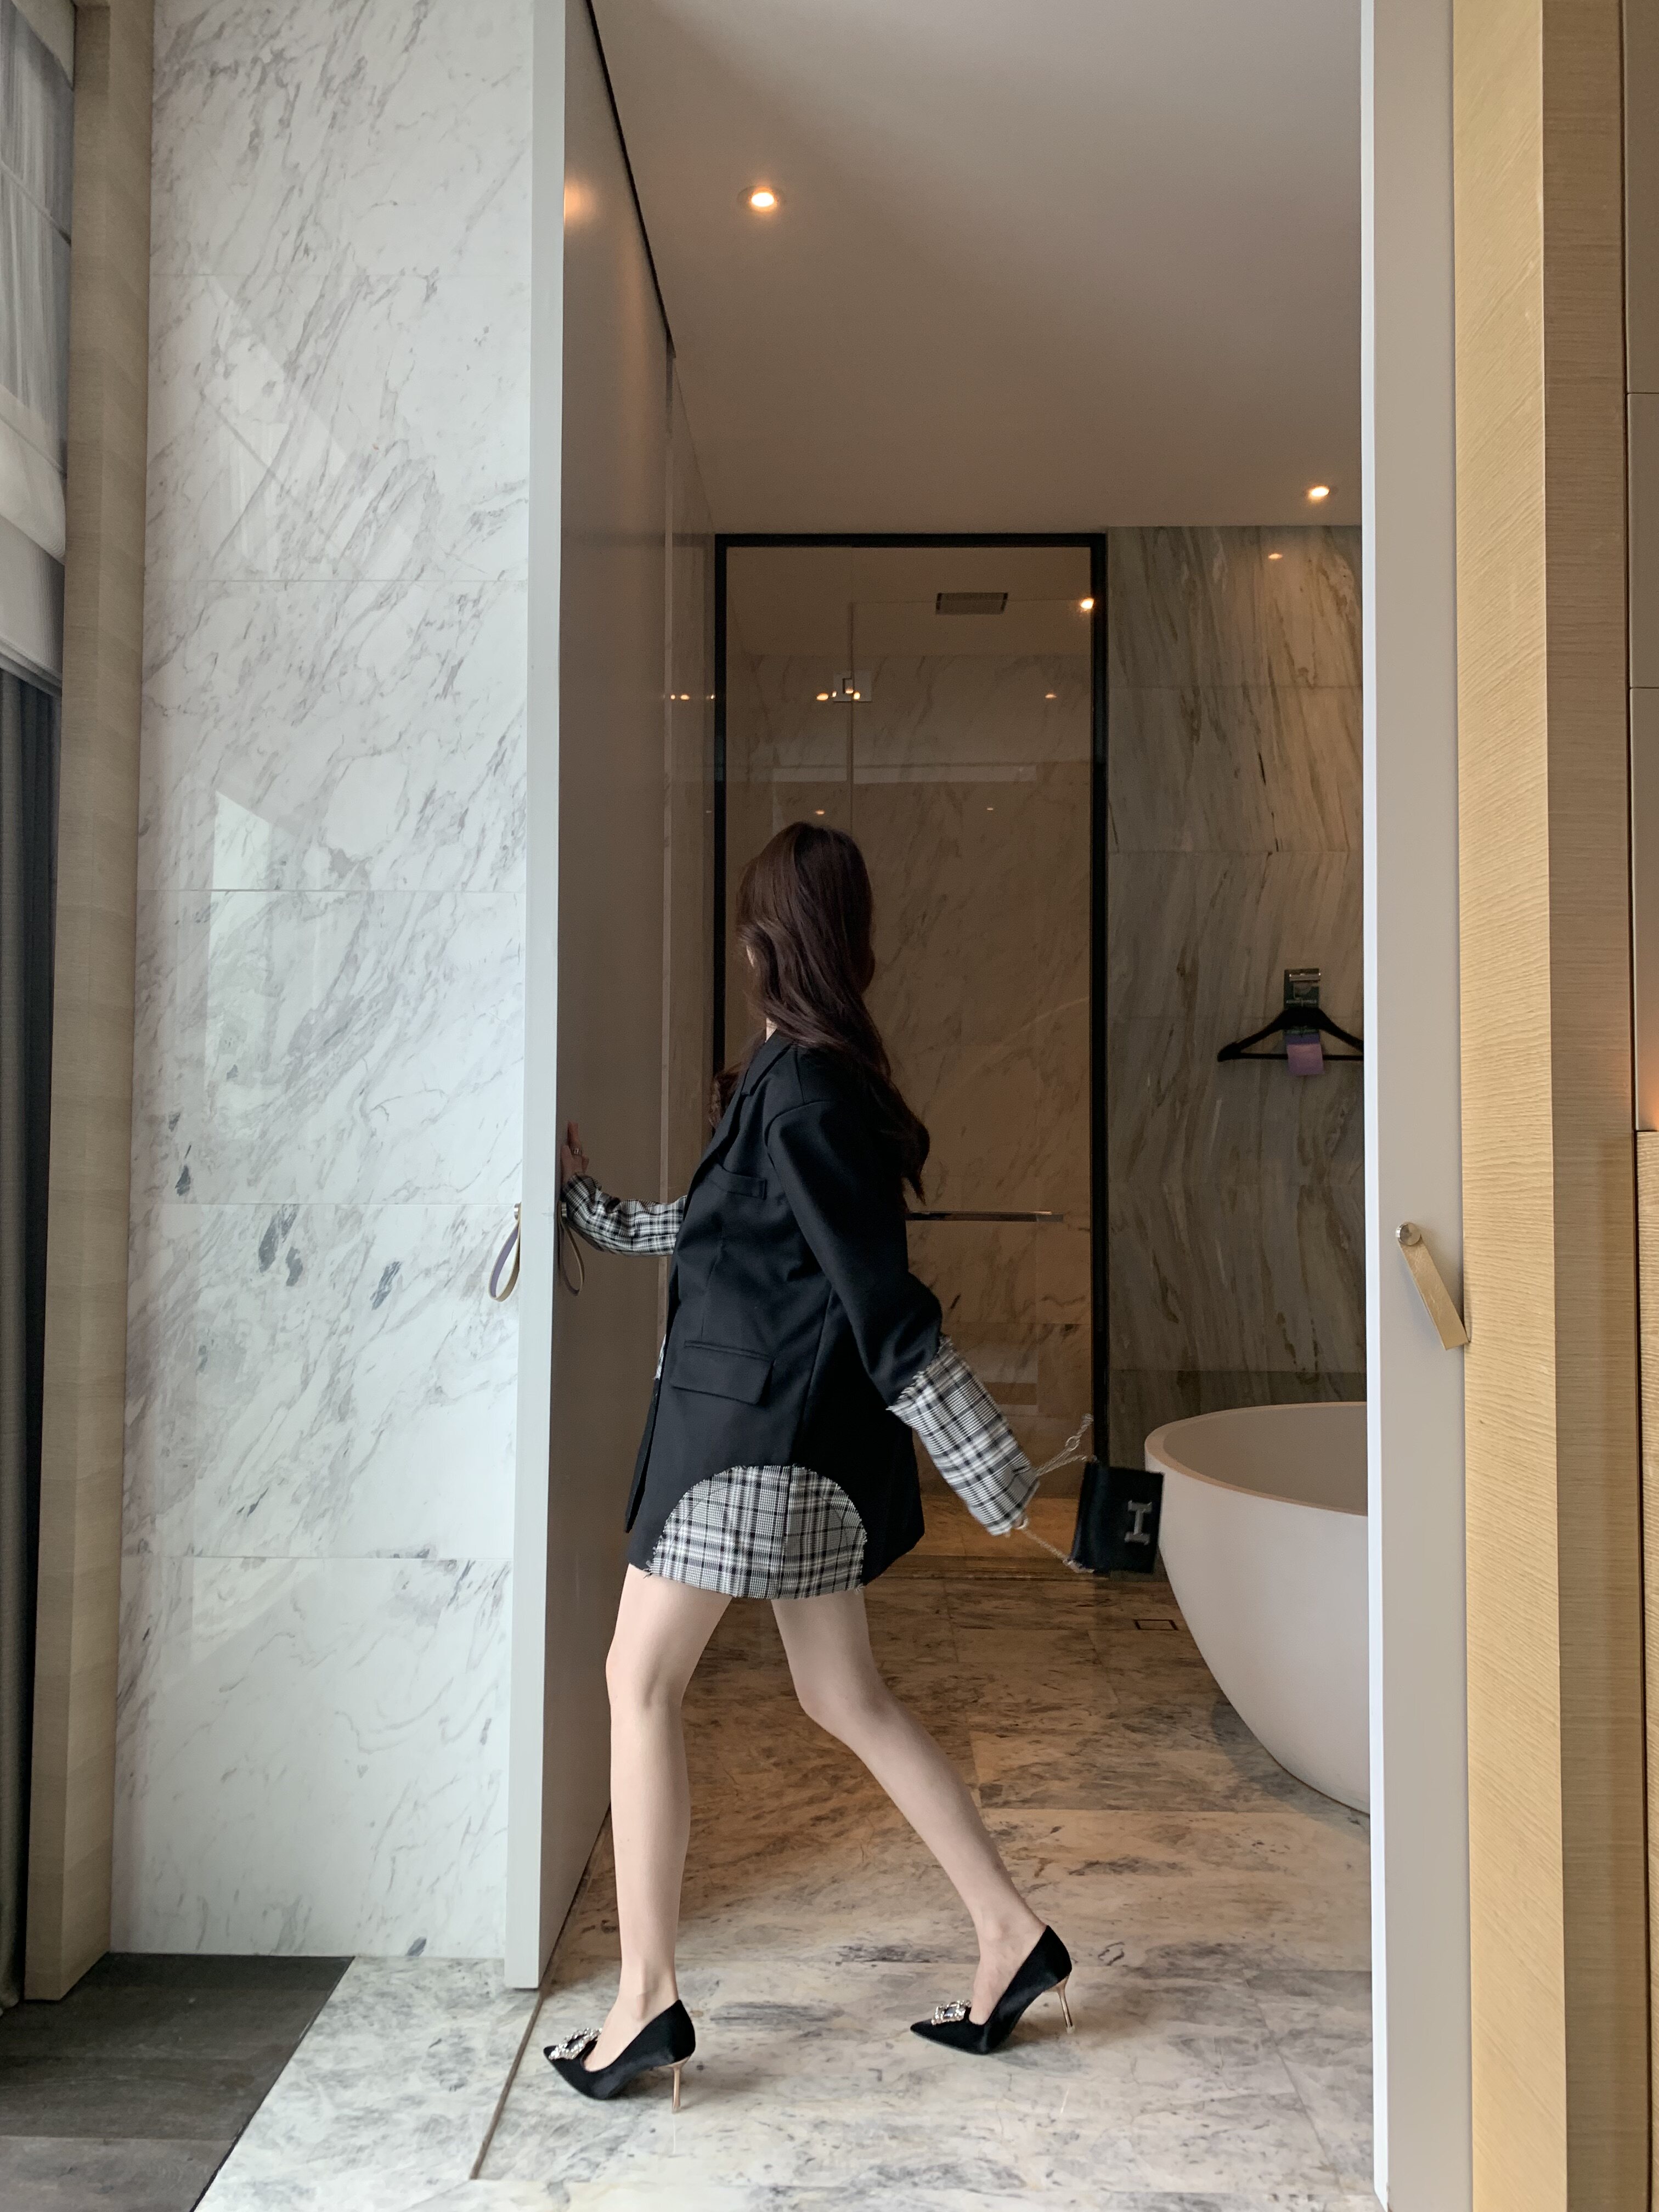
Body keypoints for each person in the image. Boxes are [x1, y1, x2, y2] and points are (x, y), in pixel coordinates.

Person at [543, 821, 1072, 2108]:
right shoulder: (796, 1078)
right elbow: (731, 1234)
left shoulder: (809, 1091)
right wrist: (591, 1208)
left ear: (766, 941)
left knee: (637, 1681)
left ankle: (646, 1998)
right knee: (848, 1698)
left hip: (748, 1446)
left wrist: (998, 1480)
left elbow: (883, 1306)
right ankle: (1011, 1934)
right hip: (773, 1444)